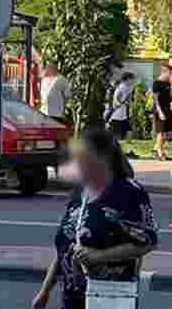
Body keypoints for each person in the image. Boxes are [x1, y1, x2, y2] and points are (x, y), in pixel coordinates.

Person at [32, 129, 158, 309]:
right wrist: (44, 291)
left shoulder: (129, 192)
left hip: (108, 296)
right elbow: (65, 246)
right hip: (73, 298)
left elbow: (147, 241)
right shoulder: (82, 190)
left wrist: (99, 256)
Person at [152, 63, 172, 160]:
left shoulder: (167, 83)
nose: (170, 75)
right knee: (161, 132)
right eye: (170, 73)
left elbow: (169, 97)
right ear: (165, 72)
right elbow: (155, 99)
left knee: (169, 132)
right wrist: (160, 112)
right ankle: (159, 151)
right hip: (160, 110)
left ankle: (156, 148)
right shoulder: (157, 84)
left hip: (167, 109)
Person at [108, 72, 135, 141]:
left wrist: (127, 102)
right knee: (115, 129)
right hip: (118, 112)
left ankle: (128, 141)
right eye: (132, 79)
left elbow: (126, 98)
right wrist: (120, 103)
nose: (133, 81)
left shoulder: (126, 87)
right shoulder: (122, 87)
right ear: (127, 79)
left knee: (128, 128)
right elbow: (117, 97)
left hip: (122, 113)